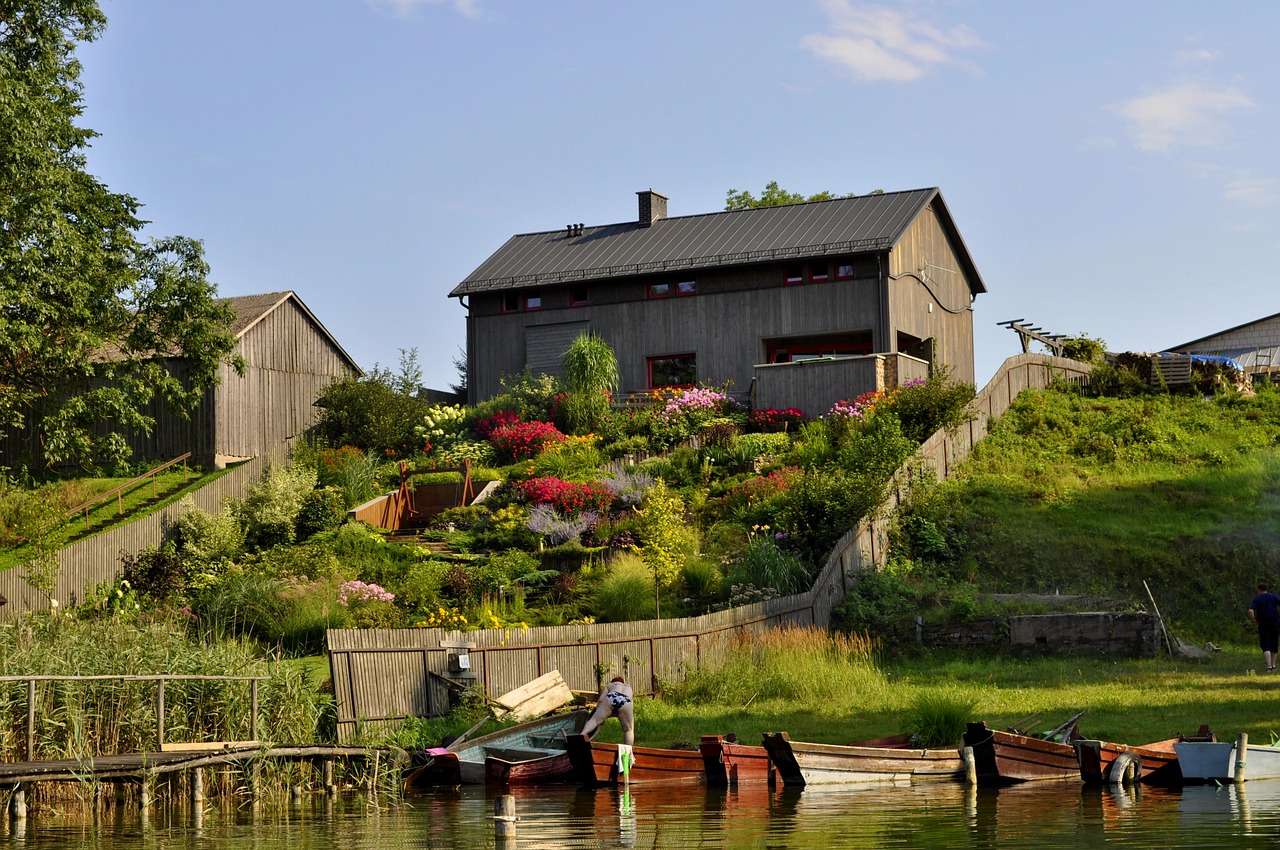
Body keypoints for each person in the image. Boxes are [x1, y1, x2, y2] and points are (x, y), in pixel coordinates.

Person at [581, 676, 635, 746]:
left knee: (594, 720)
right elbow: (630, 703)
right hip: (626, 700)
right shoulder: (629, 687)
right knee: (629, 730)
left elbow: (600, 700)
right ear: (623, 682)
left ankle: (581, 735)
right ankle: (628, 752)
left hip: (612, 696)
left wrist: (597, 712)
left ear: (613, 681)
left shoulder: (611, 685)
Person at [1247, 583, 1280, 671]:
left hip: (1263, 624)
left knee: (1265, 644)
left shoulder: (1257, 598)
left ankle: (1268, 666)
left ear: (1258, 590)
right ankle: (1273, 665)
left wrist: (1253, 620)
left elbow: (1250, 611)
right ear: (1266, 589)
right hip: (1275, 623)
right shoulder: (1274, 597)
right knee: (1274, 644)